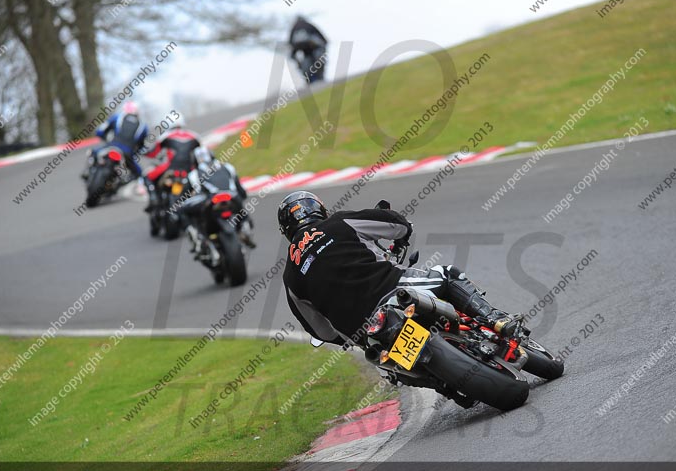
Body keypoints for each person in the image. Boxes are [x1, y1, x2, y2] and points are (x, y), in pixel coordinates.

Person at [278, 191, 522, 347]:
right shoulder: (337, 223)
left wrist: (346, 339)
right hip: (392, 290)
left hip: (362, 332)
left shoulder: (289, 276)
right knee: (447, 275)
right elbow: (395, 224)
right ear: (319, 210)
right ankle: (496, 319)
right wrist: (404, 229)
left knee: (384, 362)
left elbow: (318, 330)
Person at [181, 146, 256, 251]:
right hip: (232, 197)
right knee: (240, 206)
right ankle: (244, 227)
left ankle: (195, 235)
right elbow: (241, 191)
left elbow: (184, 196)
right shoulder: (228, 167)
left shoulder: (193, 175)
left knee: (183, 208)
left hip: (209, 201)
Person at [143, 114, 201, 212]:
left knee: (147, 177)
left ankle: (154, 200)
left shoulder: (165, 136)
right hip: (189, 170)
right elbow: (202, 154)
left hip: (170, 168)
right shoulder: (194, 136)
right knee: (202, 181)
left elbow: (153, 153)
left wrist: (143, 152)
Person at [87, 102, 148, 180]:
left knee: (93, 152)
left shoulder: (117, 117)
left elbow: (100, 131)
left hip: (112, 145)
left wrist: (106, 139)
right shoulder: (143, 126)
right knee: (139, 173)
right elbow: (142, 146)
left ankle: (89, 172)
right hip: (128, 153)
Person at [289, 16, 327, 83]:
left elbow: (290, 47)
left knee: (316, 61)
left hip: (311, 49)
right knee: (316, 62)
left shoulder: (294, 28)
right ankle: (316, 79)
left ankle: (315, 79)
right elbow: (323, 39)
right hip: (309, 50)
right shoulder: (307, 25)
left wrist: (297, 62)